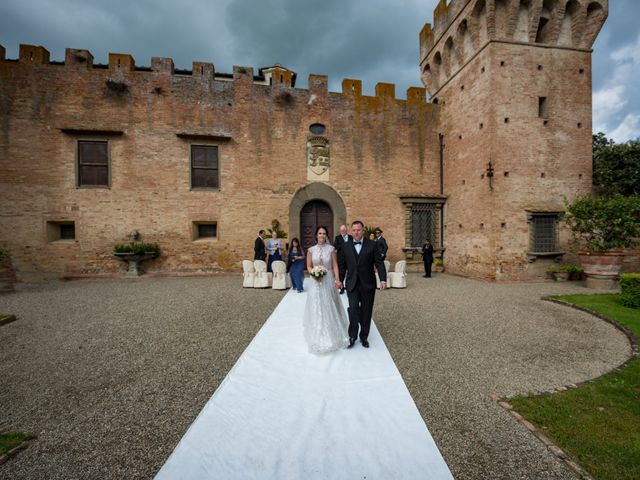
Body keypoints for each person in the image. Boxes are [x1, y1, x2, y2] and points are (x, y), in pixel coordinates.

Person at [338, 221, 387, 349]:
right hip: (352, 284)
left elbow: (379, 263)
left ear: (363, 230)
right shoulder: (345, 246)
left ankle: (364, 337)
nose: (356, 232)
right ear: (351, 231)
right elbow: (342, 266)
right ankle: (352, 336)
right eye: (354, 230)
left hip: (368, 284)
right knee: (353, 309)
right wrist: (339, 281)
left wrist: (382, 280)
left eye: (358, 230)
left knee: (366, 311)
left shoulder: (372, 245)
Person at [303, 226, 349, 354]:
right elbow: (309, 266)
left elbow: (335, 265)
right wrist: (314, 273)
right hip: (316, 281)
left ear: (326, 235)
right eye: (319, 233)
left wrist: (338, 279)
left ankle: (334, 331)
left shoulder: (331, 249)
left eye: (324, 233)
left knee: (329, 303)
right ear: (316, 235)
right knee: (317, 304)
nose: (322, 235)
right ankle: (317, 330)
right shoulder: (311, 250)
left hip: (328, 278)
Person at [333, 224, 352, 294]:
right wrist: (345, 244)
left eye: (344, 230)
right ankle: (341, 287)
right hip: (341, 259)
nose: (342, 231)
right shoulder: (338, 238)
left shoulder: (351, 237)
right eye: (341, 230)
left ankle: (349, 286)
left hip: (350, 259)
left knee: (350, 273)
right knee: (341, 274)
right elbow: (335, 246)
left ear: (346, 230)